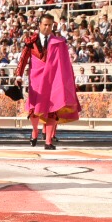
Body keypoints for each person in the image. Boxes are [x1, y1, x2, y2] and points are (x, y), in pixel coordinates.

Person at [14, 12, 80, 148]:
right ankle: (35, 131)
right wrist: (18, 76)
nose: (47, 28)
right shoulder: (31, 41)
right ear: (39, 25)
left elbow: (65, 65)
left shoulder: (59, 42)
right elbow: (23, 59)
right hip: (36, 79)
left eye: (50, 25)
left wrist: (68, 82)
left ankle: (48, 141)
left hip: (52, 79)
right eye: (45, 25)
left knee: (52, 109)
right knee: (34, 109)